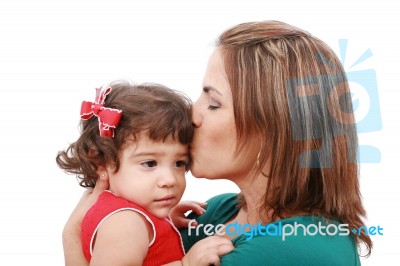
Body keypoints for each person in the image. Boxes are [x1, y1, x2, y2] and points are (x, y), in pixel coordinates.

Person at [62, 20, 372, 265]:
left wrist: (73, 237)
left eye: (213, 103)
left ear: (274, 129)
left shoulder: (293, 248)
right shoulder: (218, 212)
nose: (191, 114)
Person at [56, 82, 233, 266]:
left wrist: (163, 223)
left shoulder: (126, 216)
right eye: (149, 163)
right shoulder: (125, 223)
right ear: (102, 162)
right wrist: (186, 264)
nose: (170, 180)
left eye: (179, 163)